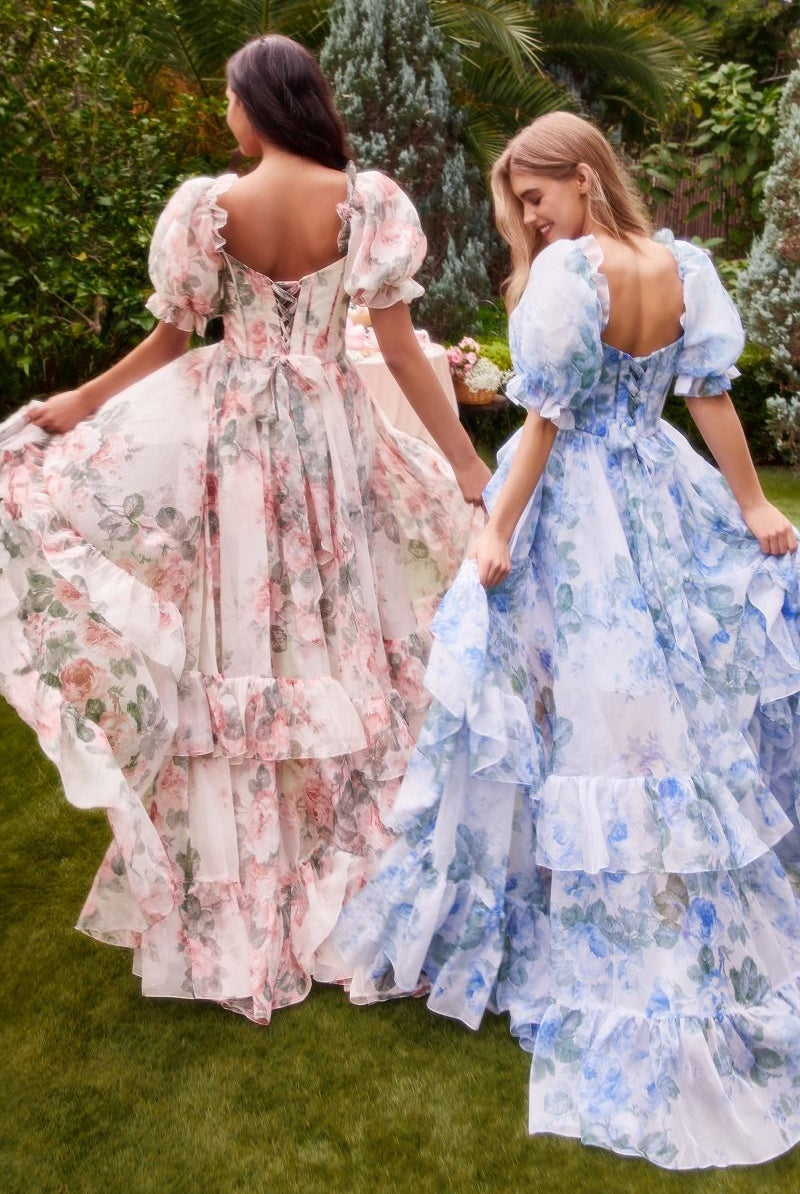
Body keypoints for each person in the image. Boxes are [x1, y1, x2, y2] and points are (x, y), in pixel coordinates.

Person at [331, 111, 800, 1169]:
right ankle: (627, 888)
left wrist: (495, 529)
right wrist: (748, 505)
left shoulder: (570, 273)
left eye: (534, 200)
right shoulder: (680, 266)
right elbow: (707, 401)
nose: (530, 221)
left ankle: (608, 916)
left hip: (579, 504)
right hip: (658, 487)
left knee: (571, 705)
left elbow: (543, 419)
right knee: (647, 705)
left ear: (584, 176)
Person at [0, 34, 488, 1023]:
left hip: (236, 441)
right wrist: (467, 465)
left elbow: (171, 337)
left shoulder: (208, 209)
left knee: (245, 628)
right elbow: (398, 352)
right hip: (332, 436)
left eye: (229, 98)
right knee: (343, 625)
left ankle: (253, 873)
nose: (225, 115)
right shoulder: (366, 203)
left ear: (256, 103)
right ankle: (358, 868)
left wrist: (84, 402)